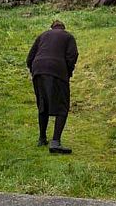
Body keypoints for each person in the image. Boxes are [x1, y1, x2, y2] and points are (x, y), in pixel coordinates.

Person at [26, 20, 78, 154]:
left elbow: (29, 58)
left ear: (51, 28)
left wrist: (35, 71)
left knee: (42, 105)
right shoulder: (68, 36)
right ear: (63, 28)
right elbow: (72, 56)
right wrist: (67, 72)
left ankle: (42, 138)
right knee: (62, 106)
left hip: (38, 70)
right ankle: (55, 142)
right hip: (57, 71)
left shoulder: (42, 35)